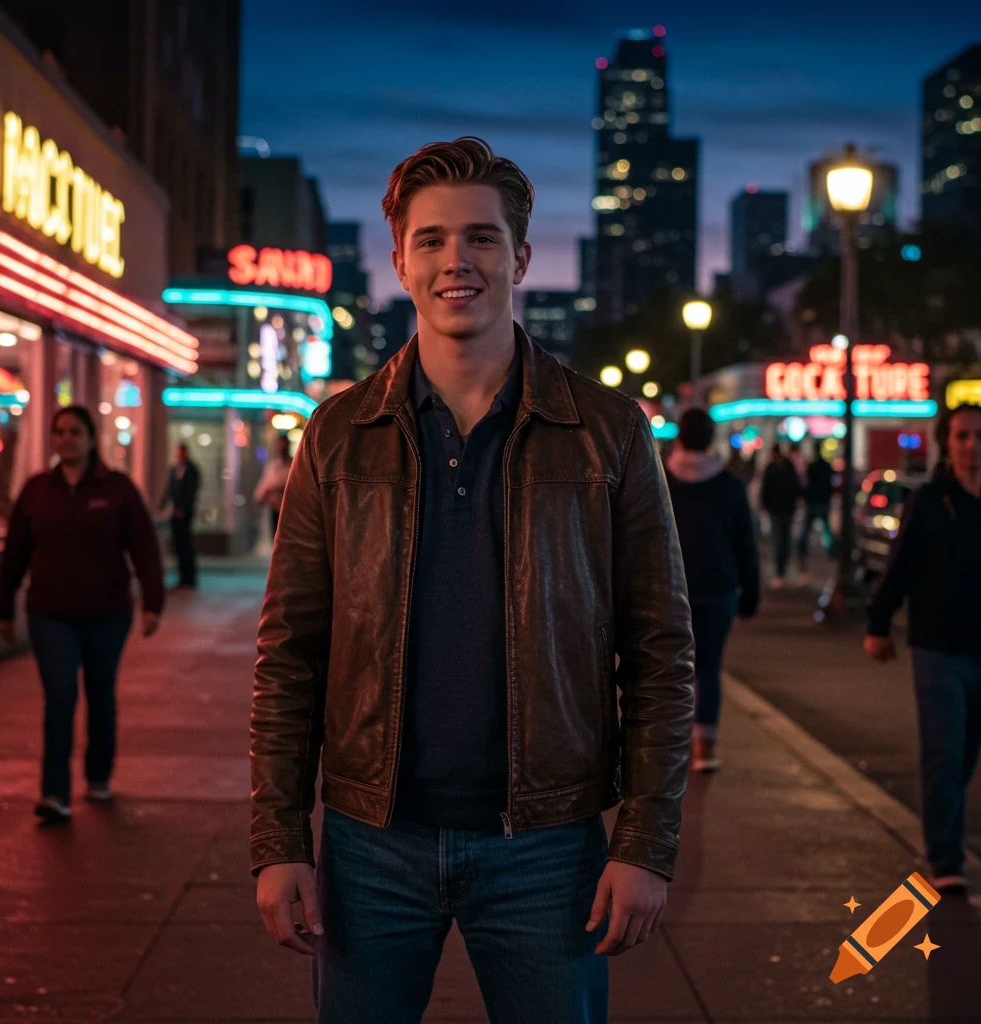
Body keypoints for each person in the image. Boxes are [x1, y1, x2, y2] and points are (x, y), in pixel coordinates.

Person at [250, 137, 694, 1024]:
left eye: (482, 238)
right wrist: (278, 839)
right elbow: (290, 651)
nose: (458, 260)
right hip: (371, 842)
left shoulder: (606, 430)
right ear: (401, 263)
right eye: (433, 239)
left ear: (520, 258)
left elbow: (659, 650)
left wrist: (645, 842)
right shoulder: (337, 434)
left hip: (547, 845)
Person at [0, 406, 164, 823]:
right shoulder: (37, 490)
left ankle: (98, 775)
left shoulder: (117, 489)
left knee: (100, 693)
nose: (66, 439)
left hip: (107, 612)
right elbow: (15, 553)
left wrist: (153, 602)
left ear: (91, 439)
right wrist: (3, 607)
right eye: (59, 432)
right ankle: (55, 793)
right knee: (60, 695)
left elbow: (143, 547)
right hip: (50, 614)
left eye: (74, 432)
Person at [864, 403, 981, 895]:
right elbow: (900, 565)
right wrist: (878, 624)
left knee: (966, 754)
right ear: (946, 443)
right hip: (937, 646)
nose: (972, 445)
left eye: (978, 435)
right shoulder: (931, 500)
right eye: (962, 436)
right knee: (944, 752)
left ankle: (946, 834)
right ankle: (945, 855)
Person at [665, 409, 759, 773]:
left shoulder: (661, 479)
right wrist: (750, 596)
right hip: (719, 586)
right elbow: (745, 545)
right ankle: (705, 748)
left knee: (668, 669)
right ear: (710, 439)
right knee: (708, 668)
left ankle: (669, 747)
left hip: (671, 587)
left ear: (680, 437)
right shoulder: (729, 485)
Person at [760, 443, 801, 588]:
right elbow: (796, 486)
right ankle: (782, 569)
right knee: (784, 539)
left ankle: (780, 571)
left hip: (777, 509)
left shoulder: (772, 468)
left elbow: (765, 488)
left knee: (779, 539)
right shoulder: (788, 467)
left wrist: (764, 505)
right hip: (786, 508)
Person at [796, 441, 835, 584]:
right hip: (822, 501)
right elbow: (830, 485)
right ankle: (831, 550)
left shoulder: (812, 466)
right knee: (826, 528)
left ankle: (802, 549)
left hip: (813, 501)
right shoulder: (826, 466)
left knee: (808, 530)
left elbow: (806, 484)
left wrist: (806, 497)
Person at [162, 443, 199, 588]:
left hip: (185, 514)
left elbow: (191, 491)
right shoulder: (174, 469)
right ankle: (182, 577)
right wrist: (164, 505)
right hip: (174, 513)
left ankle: (189, 578)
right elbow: (169, 489)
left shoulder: (192, 470)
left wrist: (183, 508)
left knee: (186, 546)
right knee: (178, 546)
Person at [253, 433, 292, 536]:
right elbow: (261, 491)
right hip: (274, 510)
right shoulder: (272, 467)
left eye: (284, 446)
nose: (281, 449)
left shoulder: (293, 467)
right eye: (279, 445)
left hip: (290, 512)